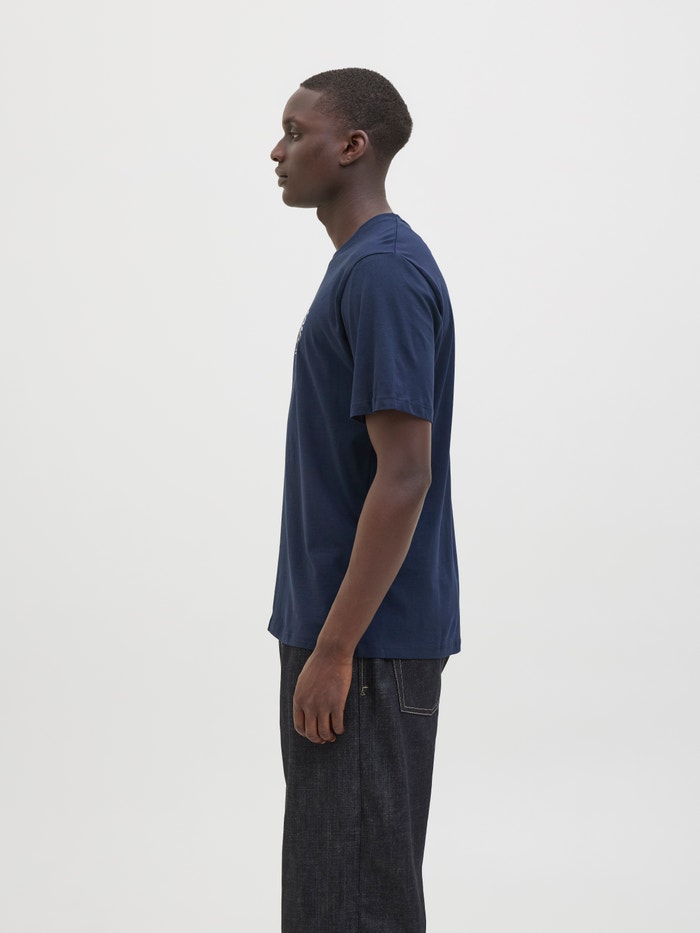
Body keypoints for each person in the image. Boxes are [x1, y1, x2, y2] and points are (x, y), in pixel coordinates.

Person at [268, 67, 460, 933]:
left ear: (352, 146)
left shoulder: (381, 274)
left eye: (294, 131)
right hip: (344, 639)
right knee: (333, 895)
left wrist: (337, 648)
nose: (277, 151)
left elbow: (406, 472)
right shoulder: (361, 268)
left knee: (352, 906)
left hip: (366, 650)